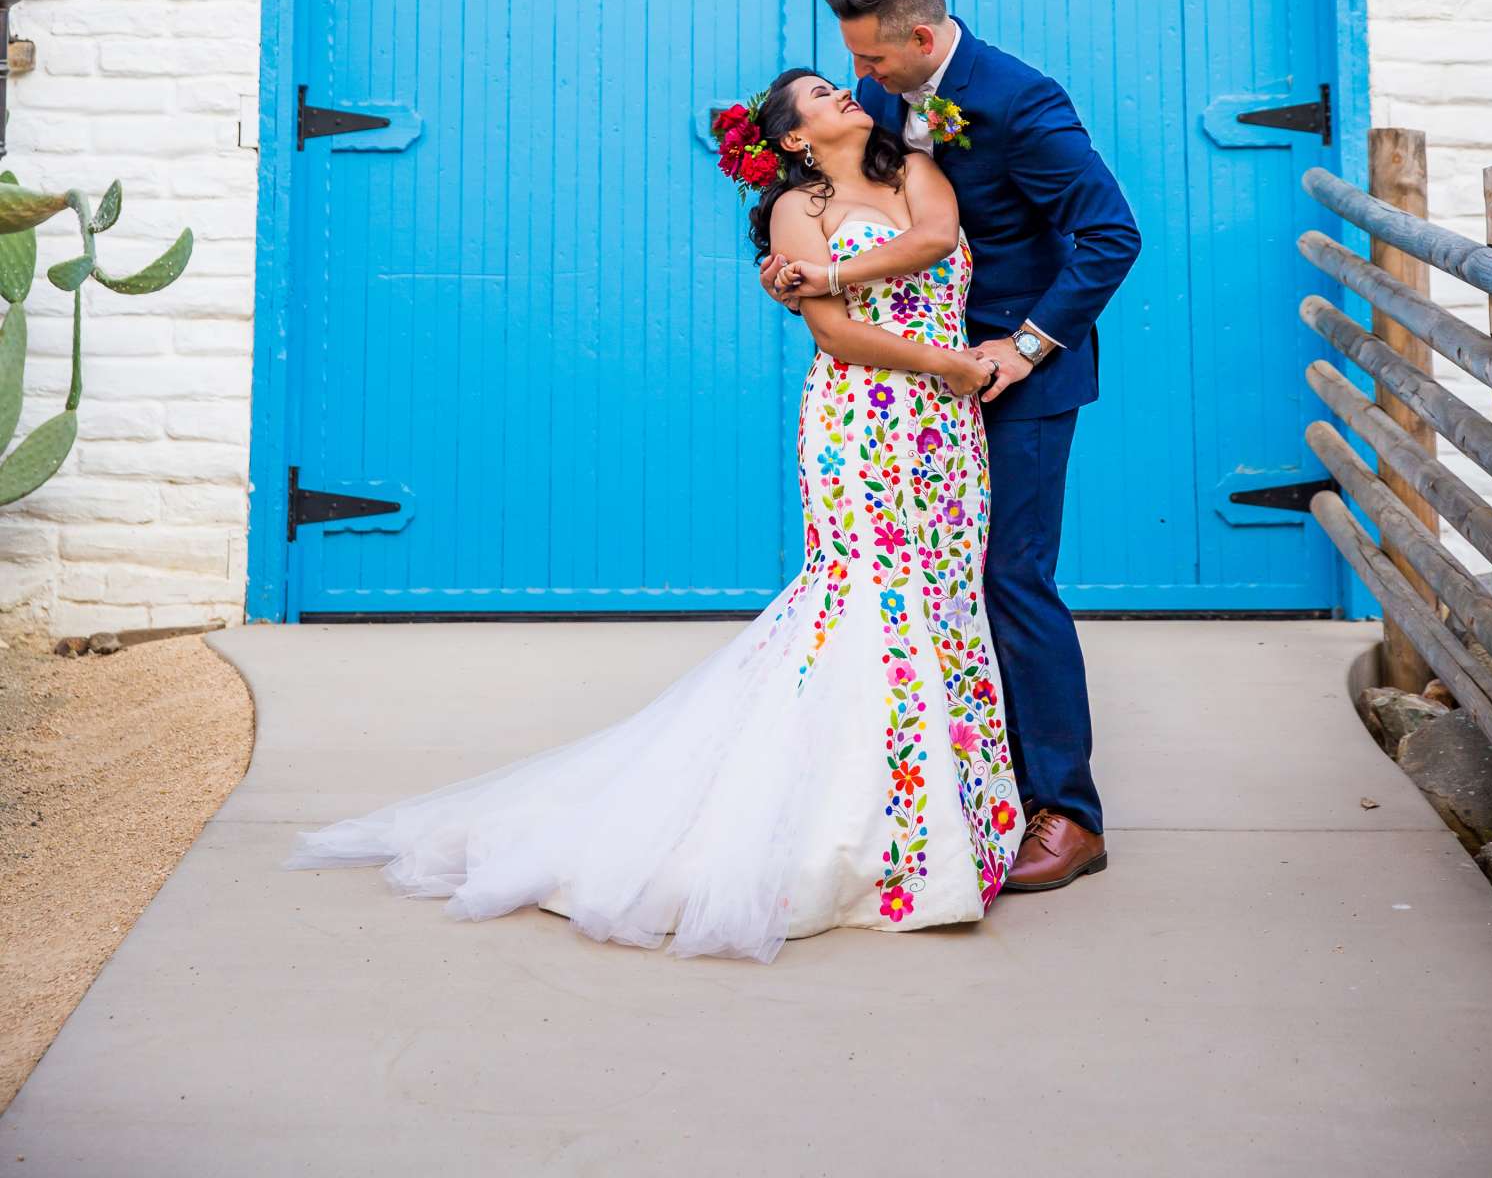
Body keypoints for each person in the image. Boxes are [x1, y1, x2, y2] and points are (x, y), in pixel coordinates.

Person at [287, 67, 1025, 959]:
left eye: (840, 87)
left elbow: (934, 242)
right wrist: (942, 363)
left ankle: (953, 821)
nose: (842, 96)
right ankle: (871, 832)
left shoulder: (913, 170)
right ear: (793, 139)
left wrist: (830, 275)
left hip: (946, 433)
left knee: (943, 597)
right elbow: (833, 333)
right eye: (822, 96)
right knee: (871, 599)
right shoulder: (798, 208)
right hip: (865, 422)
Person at [765, 0, 1141, 893]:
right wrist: (797, 274)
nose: (862, 81)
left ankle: (1069, 815)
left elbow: (1109, 235)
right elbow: (839, 206)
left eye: (874, 64)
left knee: (1011, 577)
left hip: (1018, 374)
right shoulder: (879, 97)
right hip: (914, 387)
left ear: (921, 41)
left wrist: (1026, 346)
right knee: (932, 584)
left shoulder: (1022, 103)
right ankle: (965, 793)